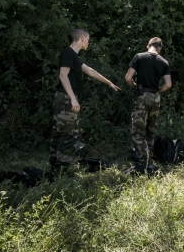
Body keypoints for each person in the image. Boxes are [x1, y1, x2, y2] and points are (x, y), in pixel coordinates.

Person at [50, 29, 120, 169]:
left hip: (66, 97)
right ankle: (62, 169)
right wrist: (73, 99)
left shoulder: (74, 57)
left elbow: (91, 71)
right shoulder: (68, 52)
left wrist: (109, 83)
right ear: (82, 38)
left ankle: (56, 165)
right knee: (68, 133)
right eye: (88, 40)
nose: (88, 42)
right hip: (66, 98)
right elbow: (62, 76)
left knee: (64, 131)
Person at [124, 37, 172, 166]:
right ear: (160, 48)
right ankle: (149, 160)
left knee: (138, 130)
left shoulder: (139, 57)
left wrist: (135, 87)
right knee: (151, 130)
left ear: (147, 46)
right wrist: (157, 90)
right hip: (155, 97)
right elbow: (168, 84)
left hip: (141, 96)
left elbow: (128, 78)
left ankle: (142, 162)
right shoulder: (164, 62)